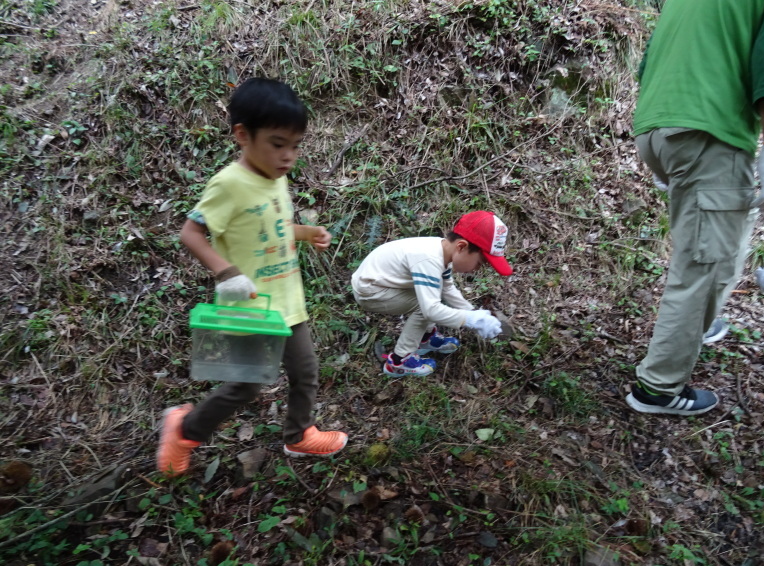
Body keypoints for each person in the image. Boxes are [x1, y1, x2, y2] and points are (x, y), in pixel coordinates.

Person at [157, 78, 347, 477]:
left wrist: (306, 233)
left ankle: (297, 435)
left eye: (295, 146)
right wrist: (226, 272)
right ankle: (184, 429)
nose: (288, 156)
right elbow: (190, 233)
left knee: (305, 371)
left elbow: (272, 227)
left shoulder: (276, 177)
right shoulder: (229, 184)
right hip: (247, 306)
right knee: (245, 387)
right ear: (243, 135)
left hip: (287, 301)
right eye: (278, 144)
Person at [626, 0, 764, 416]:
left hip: (658, 125)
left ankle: (695, 328)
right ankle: (657, 388)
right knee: (699, 268)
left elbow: (648, 60)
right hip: (708, 132)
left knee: (726, 236)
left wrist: (662, 139)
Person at [351, 210, 510, 377]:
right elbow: (430, 310)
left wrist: (474, 314)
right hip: (370, 291)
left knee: (432, 294)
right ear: (461, 246)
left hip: (384, 283)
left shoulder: (442, 250)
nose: (478, 268)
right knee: (425, 305)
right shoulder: (428, 259)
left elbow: (447, 288)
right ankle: (399, 361)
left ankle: (425, 338)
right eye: (480, 262)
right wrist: (470, 320)